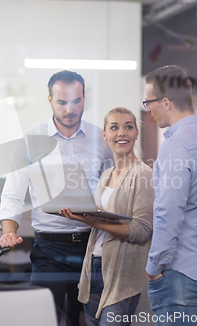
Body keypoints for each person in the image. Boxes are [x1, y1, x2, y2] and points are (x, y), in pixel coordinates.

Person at [0, 70, 113, 326]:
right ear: (49, 100)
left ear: (84, 98)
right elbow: (12, 195)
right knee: (44, 318)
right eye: (62, 102)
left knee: (85, 320)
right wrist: (8, 230)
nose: (69, 109)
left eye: (76, 101)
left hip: (92, 246)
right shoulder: (29, 140)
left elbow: (114, 192)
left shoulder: (102, 139)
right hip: (49, 250)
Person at [143, 65, 197, 325]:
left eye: (148, 102)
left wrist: (154, 268)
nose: (148, 110)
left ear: (166, 102)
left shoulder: (175, 146)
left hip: (178, 270)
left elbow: (168, 212)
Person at [61, 107, 154, 326]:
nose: (121, 133)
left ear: (136, 134)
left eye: (128, 127)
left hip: (121, 271)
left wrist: (94, 221)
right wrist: (82, 214)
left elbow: (142, 231)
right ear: (105, 135)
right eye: (114, 127)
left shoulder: (143, 174)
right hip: (94, 265)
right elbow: (104, 216)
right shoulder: (106, 175)